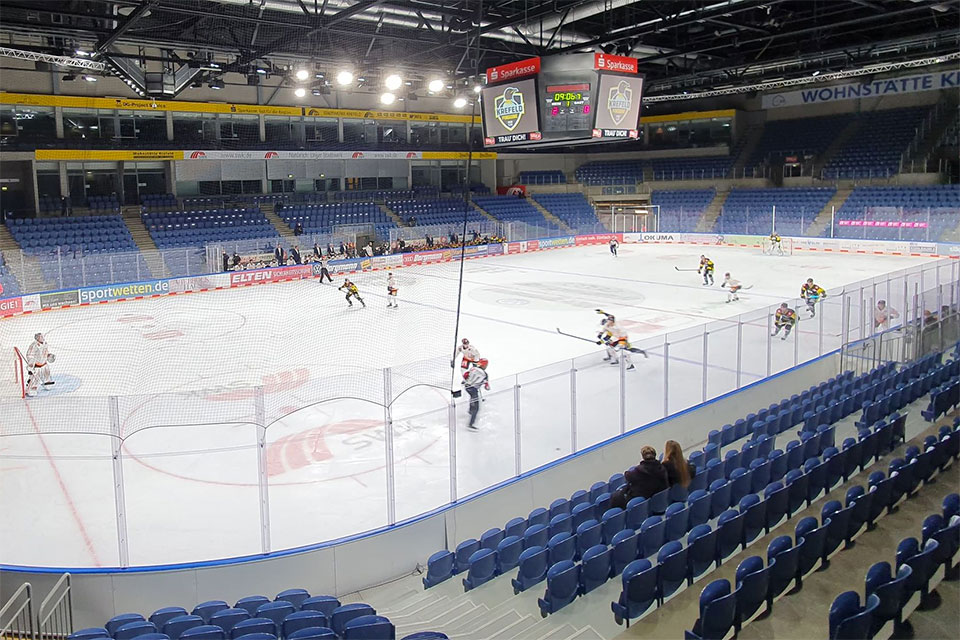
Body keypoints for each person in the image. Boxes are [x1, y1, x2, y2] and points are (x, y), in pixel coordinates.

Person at [462, 358, 489, 431]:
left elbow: (465, 375)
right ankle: (471, 424)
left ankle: (470, 410)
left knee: (472, 398)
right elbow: (487, 386)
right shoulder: (485, 374)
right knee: (476, 408)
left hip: (467, 387)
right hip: (473, 389)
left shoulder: (473, 368)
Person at [25, 332, 55, 397]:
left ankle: (47, 382)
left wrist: (49, 356)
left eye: (42, 337)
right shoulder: (33, 345)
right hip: (37, 366)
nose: (42, 338)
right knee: (35, 378)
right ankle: (32, 388)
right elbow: (29, 355)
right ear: (37, 338)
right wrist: (31, 363)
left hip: (44, 364)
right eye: (41, 337)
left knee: (47, 374)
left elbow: (46, 352)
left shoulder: (45, 344)